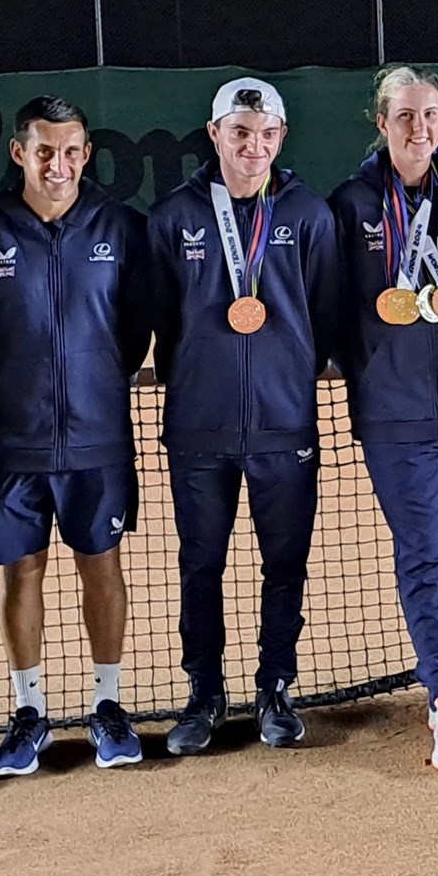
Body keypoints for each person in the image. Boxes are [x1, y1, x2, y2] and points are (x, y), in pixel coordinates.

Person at [147, 77, 343, 754]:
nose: (253, 146)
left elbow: (322, 318)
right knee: (201, 564)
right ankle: (204, 692)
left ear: (280, 138)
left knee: (284, 565)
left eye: (265, 134)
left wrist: (281, 378)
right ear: (215, 135)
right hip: (198, 429)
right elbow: (163, 322)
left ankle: (276, 687)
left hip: (284, 426)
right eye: (239, 132)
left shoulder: (311, 216)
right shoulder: (173, 218)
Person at [0, 95, 150, 773]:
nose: (58, 164)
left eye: (71, 151)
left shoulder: (121, 227)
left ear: (87, 153)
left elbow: (132, 331)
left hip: (99, 440)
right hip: (13, 443)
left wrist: (92, 383)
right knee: (23, 571)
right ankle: (29, 713)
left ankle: (108, 705)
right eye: (44, 151)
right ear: (19, 153)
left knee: (103, 566)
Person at [329, 66, 438, 770]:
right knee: (424, 548)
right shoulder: (351, 204)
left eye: (429, 114)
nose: (419, 128)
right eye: (404, 115)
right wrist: (372, 368)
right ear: (380, 122)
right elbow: (335, 309)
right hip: (395, 412)